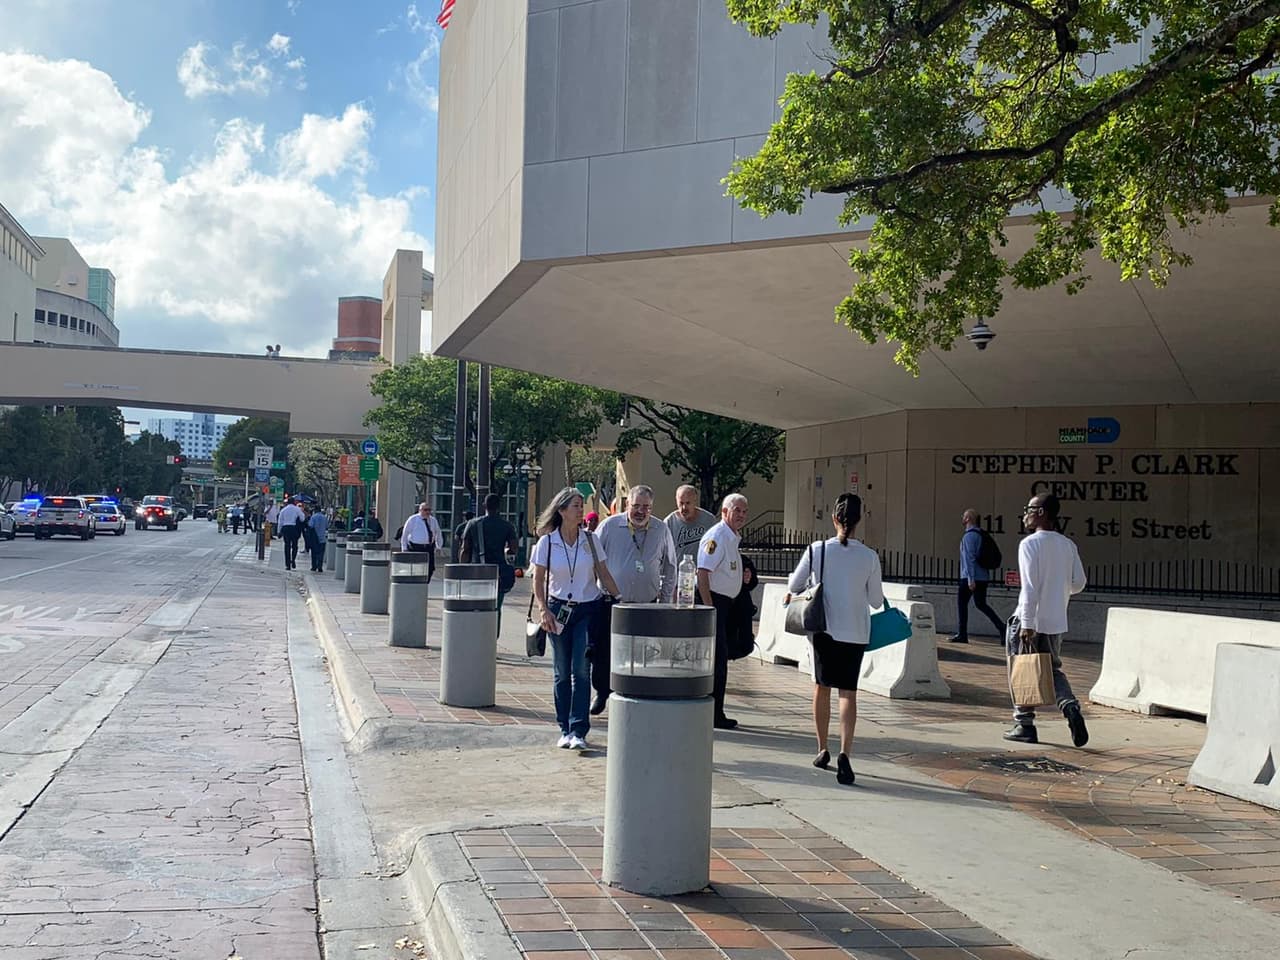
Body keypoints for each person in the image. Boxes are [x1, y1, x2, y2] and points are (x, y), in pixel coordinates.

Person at [786, 494, 884, 786]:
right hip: (856, 632)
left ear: (833, 518)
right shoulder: (869, 556)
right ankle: (845, 752)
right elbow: (877, 601)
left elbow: (794, 585)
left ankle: (822, 748)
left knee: (822, 688)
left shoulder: (817, 550)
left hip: (824, 630)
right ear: (859, 521)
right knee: (848, 693)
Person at [531, 487, 621, 751]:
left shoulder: (591, 540)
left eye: (582, 505)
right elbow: (538, 579)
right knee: (561, 672)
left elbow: (603, 573)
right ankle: (564, 728)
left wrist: (621, 598)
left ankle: (579, 728)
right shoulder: (547, 543)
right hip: (558, 610)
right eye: (575, 506)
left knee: (581, 671)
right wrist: (543, 608)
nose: (581, 510)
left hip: (587, 609)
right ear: (561, 511)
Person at [1006, 493, 1089, 747]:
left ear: (1041, 512)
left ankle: (1024, 724)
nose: (1025, 514)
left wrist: (1028, 624)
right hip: (1055, 621)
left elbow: (1029, 587)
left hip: (1029, 619)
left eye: (1028, 509)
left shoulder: (1030, 544)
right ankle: (1070, 706)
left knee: (1021, 668)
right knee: (1052, 669)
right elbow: (1079, 583)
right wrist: (1058, 590)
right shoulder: (1068, 545)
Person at [591, 484, 678, 714]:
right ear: (627, 504)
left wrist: (666, 599)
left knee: (643, 653)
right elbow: (592, 560)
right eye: (636, 506)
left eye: (646, 507)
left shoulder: (661, 529)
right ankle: (602, 692)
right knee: (604, 651)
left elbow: (671, 566)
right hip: (611, 603)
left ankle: (638, 694)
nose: (640, 511)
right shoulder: (610, 526)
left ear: (652, 507)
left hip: (646, 605)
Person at [696, 493, 750, 730]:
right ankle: (714, 712)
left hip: (728, 604)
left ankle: (717, 709)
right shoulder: (717, 537)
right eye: (736, 510)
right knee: (717, 661)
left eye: (744, 511)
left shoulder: (732, 538)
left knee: (722, 659)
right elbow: (702, 573)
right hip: (715, 603)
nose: (740, 515)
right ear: (725, 512)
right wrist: (710, 608)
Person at [460, 495, 517, 634]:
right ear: (499, 507)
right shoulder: (507, 526)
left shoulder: (473, 524)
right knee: (495, 607)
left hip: (477, 572)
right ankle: (492, 637)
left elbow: (465, 550)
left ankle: (476, 635)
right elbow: (513, 549)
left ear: (484, 506)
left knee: (476, 606)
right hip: (499, 573)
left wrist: (462, 570)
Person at [949, 508, 1005, 644]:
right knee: (981, 604)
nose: (962, 518)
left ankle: (962, 634)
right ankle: (1003, 628)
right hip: (983, 577)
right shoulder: (981, 534)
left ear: (968, 518)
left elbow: (969, 559)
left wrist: (970, 579)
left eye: (964, 516)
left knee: (962, 604)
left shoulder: (969, 536)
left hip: (969, 578)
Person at [665, 485, 718, 564]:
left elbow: (716, 547)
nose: (684, 507)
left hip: (702, 570)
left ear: (695, 501)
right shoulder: (669, 522)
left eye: (688, 503)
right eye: (681, 503)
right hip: (679, 572)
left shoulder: (709, 520)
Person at [400, 502, 443, 582]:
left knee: (430, 568)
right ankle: (416, 583)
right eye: (425, 510)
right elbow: (405, 534)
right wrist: (404, 548)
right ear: (420, 510)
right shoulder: (413, 519)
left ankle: (425, 583)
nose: (428, 512)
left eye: (429, 510)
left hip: (428, 547)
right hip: (415, 547)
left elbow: (438, 533)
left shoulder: (433, 520)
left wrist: (438, 546)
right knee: (416, 568)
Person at [277, 497, 305, 570]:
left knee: (287, 546)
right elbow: (302, 518)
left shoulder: (283, 510)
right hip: (294, 528)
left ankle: (287, 564)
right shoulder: (297, 509)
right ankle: (293, 559)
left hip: (285, 528)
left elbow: (280, 522)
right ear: (294, 502)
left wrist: (279, 531)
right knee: (295, 545)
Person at [308, 504, 330, 572]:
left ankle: (314, 566)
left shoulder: (313, 517)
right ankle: (320, 566)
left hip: (315, 538)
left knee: (314, 552)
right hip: (322, 538)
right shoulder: (324, 517)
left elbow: (310, 525)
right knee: (321, 552)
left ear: (315, 510)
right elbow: (327, 526)